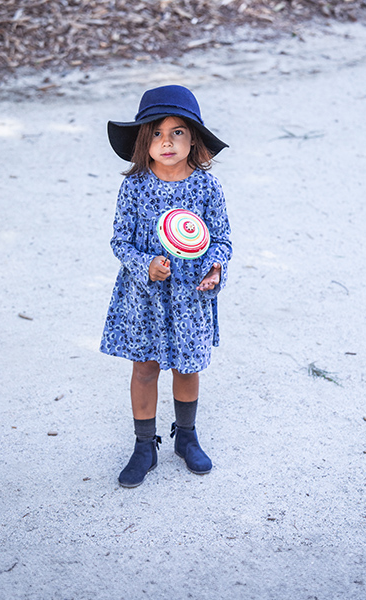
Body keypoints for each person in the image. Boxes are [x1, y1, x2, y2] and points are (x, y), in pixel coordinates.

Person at [100, 85, 232, 488]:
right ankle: (144, 445)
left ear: (194, 138)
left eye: (177, 132)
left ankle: (186, 437)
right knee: (145, 368)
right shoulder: (135, 187)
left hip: (190, 297)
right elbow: (119, 240)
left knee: (187, 367)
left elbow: (222, 240)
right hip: (144, 298)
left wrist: (215, 268)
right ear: (143, 140)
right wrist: (145, 265)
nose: (167, 141)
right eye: (156, 133)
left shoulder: (207, 188)